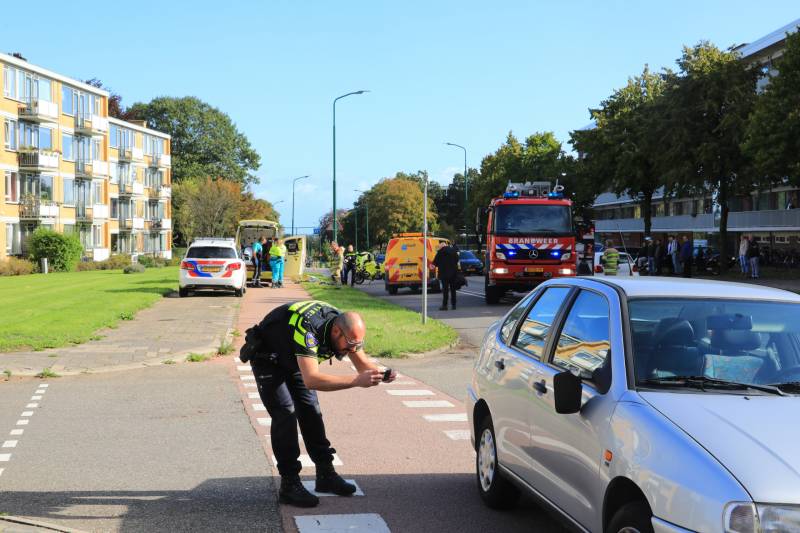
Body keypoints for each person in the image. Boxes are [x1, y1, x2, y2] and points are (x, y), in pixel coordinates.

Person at [239, 301, 396, 507]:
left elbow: (361, 365)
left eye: (356, 344)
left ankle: (325, 474)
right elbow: (312, 379)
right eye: (350, 344)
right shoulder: (309, 329)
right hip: (269, 358)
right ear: (337, 331)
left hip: (294, 358)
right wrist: (356, 382)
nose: (352, 349)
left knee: (311, 409)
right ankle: (289, 484)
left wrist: (381, 373)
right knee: (286, 414)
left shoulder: (346, 329)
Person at [433, 242, 460, 310]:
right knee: (453, 290)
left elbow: (435, 263)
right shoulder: (453, 251)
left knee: (445, 290)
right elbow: (457, 260)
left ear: (441, 247)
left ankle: (445, 306)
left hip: (444, 274)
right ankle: (454, 305)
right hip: (453, 274)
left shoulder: (440, 253)